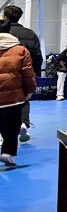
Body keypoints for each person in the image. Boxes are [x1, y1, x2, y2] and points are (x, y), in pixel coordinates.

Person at [4, 5, 41, 141]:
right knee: (24, 99)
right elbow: (38, 56)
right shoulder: (30, 34)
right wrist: (34, 73)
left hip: (5, 74)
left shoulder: (4, 33)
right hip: (25, 72)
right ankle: (23, 123)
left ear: (5, 17)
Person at [0, 30, 36, 167]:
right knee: (12, 126)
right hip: (13, 97)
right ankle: (7, 153)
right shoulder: (21, 50)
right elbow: (28, 74)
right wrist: (30, 90)